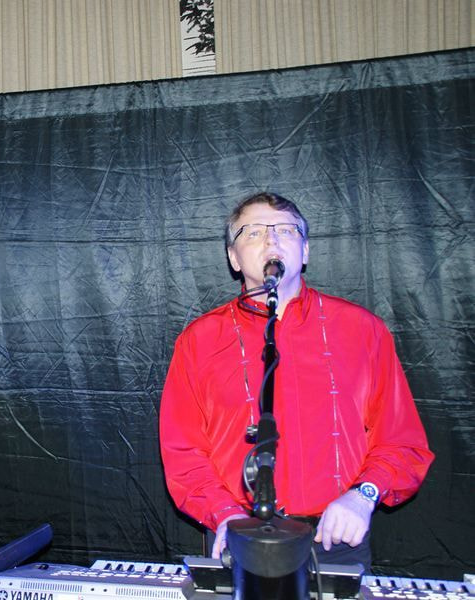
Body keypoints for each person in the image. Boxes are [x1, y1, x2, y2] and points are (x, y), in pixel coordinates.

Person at [158, 192, 433, 570]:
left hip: (335, 540)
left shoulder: (362, 330)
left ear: (305, 251)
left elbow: (401, 443)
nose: (271, 239)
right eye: (253, 232)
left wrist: (362, 496)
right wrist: (223, 512)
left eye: (286, 230)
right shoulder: (199, 340)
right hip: (236, 535)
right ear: (233, 258)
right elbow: (183, 453)